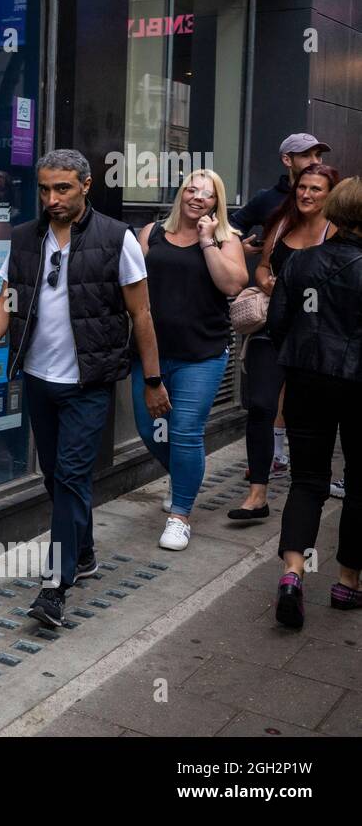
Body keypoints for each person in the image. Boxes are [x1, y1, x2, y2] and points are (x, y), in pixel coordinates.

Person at [0, 149, 169, 626]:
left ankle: (54, 588)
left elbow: (141, 314)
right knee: (55, 478)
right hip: (39, 379)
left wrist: (153, 380)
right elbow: (6, 300)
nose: (52, 199)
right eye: (44, 189)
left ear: (86, 184)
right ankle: (83, 553)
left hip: (88, 383)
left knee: (73, 477)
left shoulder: (116, 238)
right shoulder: (23, 238)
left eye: (62, 188)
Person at [132, 170, 247, 550]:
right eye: (192, 189)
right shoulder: (151, 233)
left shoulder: (225, 238)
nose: (198, 197)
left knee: (184, 432)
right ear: (181, 194)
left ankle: (180, 514)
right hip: (151, 353)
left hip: (203, 354)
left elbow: (232, 285)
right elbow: (130, 283)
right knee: (150, 431)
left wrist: (205, 242)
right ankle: (183, 476)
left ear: (218, 203)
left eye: (208, 194)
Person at [265, 175, 362, 627]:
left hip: (306, 381)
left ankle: (292, 574)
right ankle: (346, 583)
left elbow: (279, 324)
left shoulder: (301, 264)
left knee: (307, 480)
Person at [229, 163, 340, 521]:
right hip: (270, 329)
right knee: (260, 405)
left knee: (307, 415)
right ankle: (257, 494)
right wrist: (265, 283)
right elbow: (262, 266)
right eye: (302, 188)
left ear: (331, 194)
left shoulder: (337, 232)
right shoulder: (280, 224)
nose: (306, 194)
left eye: (315, 189)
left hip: (315, 338)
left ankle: (307, 488)